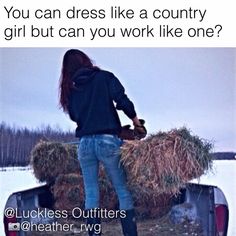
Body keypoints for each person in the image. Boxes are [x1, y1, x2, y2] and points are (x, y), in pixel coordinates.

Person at [59, 49, 146, 236]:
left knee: (91, 193)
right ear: (85, 61)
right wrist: (136, 123)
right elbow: (122, 101)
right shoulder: (104, 77)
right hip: (107, 143)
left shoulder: (70, 89)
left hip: (84, 146)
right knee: (122, 189)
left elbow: (75, 116)